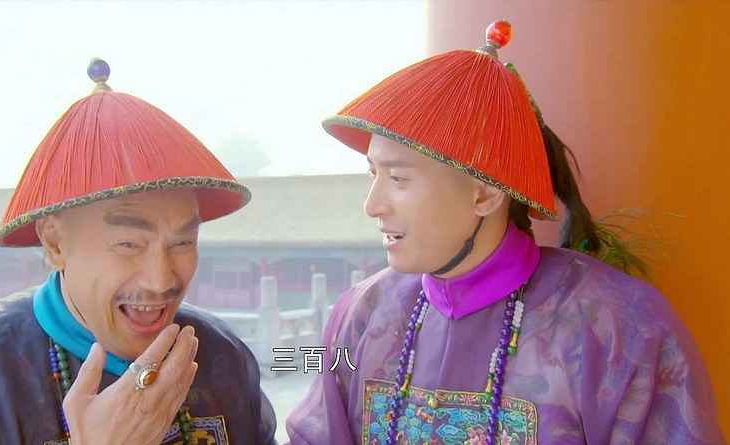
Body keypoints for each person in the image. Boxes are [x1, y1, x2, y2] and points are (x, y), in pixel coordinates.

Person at [285, 21, 725, 445]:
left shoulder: (616, 325)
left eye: (399, 179)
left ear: (485, 193)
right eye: (373, 174)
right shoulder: (363, 314)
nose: (373, 205)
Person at [0, 59, 277, 445]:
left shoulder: (221, 355)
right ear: (55, 243)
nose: (161, 280)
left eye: (182, 242)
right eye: (128, 244)